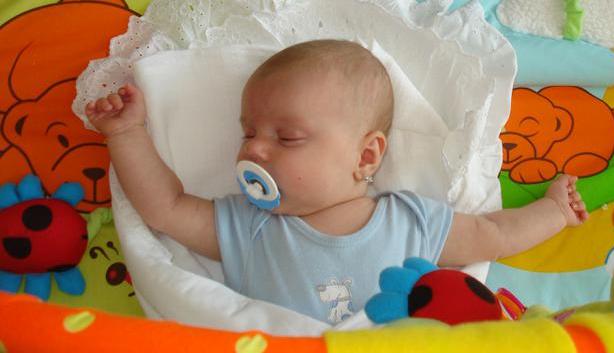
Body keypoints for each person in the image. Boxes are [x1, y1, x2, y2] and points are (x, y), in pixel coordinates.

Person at [86, 39, 588, 324]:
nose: (253, 150)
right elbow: (166, 207)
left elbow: (493, 234)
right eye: (248, 133)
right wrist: (127, 134)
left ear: (366, 156)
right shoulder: (248, 225)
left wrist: (554, 212)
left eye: (287, 137)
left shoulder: (409, 219)